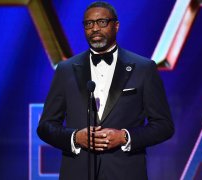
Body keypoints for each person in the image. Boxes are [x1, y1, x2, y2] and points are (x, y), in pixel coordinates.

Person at [37, 1, 174, 180]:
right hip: (78, 173)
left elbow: (164, 126)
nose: (94, 28)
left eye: (102, 22)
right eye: (89, 24)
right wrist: (75, 138)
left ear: (116, 26)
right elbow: (46, 127)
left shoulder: (143, 68)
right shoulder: (66, 70)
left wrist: (125, 137)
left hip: (125, 173)